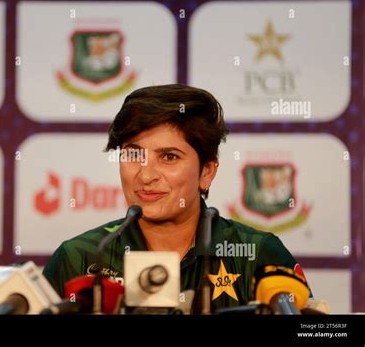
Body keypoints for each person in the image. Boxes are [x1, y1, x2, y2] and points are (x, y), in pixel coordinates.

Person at [42, 84, 310, 311]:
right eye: (134, 154)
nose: (146, 176)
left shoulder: (258, 254)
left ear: (206, 172)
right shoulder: (79, 259)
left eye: (169, 157)